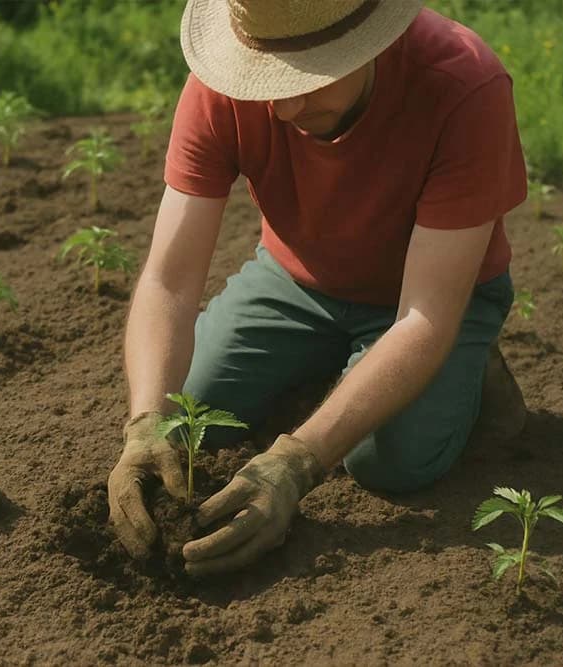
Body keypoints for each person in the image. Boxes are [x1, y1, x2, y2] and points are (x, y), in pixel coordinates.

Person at [107, 0, 529, 577]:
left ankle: (469, 369)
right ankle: (341, 370)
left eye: (304, 77)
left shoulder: (463, 86)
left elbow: (424, 317)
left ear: (372, 42)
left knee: (389, 463)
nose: (282, 108)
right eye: (266, 78)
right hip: (298, 279)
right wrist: (145, 424)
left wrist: (297, 462)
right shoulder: (225, 84)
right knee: (189, 415)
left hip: (426, 301)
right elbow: (169, 278)